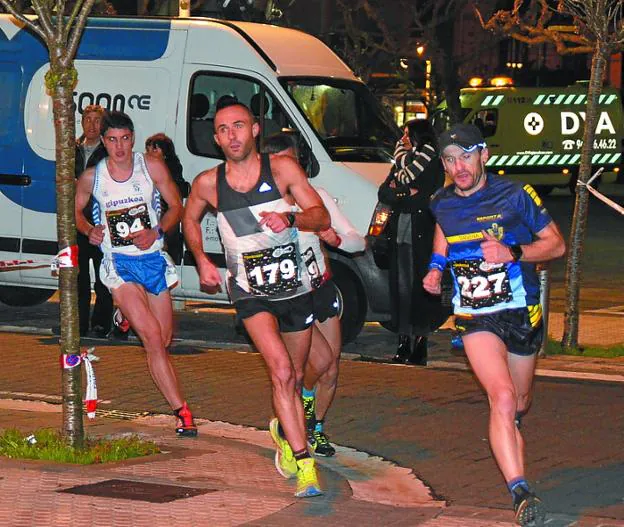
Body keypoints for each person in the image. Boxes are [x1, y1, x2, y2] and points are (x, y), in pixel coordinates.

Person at [183, 97, 330, 498]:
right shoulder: (208, 184)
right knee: (281, 371)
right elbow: (188, 218)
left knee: (297, 376)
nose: (232, 135)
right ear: (216, 138)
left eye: (239, 126)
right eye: (224, 129)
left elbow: (322, 217)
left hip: (294, 288)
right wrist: (201, 260)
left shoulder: (282, 169)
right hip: (251, 293)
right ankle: (305, 465)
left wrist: (292, 218)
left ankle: (284, 430)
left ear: (254, 130)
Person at [423, 123, 565, 527]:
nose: (459, 167)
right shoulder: (443, 202)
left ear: (484, 154)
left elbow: (556, 244)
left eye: (466, 156)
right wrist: (436, 269)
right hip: (475, 314)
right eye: (450, 159)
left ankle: (512, 427)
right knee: (500, 397)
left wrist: (512, 251)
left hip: (521, 312)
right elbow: (444, 231)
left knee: (519, 401)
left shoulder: (515, 194)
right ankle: (521, 493)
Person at [75, 111, 198, 437]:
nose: (119, 147)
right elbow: (76, 210)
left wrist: (156, 232)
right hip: (120, 264)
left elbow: (177, 206)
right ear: (103, 141)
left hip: (153, 260)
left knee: (166, 339)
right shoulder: (94, 177)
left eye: (125, 139)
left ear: (132, 138)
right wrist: (90, 230)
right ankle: (182, 411)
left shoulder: (151, 167)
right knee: (153, 340)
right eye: (112, 140)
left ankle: (120, 319)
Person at [262, 133, 366, 457]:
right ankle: (295, 411)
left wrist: (333, 238)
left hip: (320, 288)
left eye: (290, 162)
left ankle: (315, 426)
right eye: (276, 164)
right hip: (291, 297)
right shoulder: (261, 206)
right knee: (318, 361)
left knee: (331, 367)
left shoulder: (316, 197)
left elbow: (357, 242)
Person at [378, 118, 447, 365]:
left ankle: (420, 343)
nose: (403, 139)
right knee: (401, 289)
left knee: (420, 290)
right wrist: (407, 192)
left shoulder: (433, 164)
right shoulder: (400, 163)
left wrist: (402, 193)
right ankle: (403, 341)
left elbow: (426, 199)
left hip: (422, 235)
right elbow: (384, 193)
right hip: (399, 234)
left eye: (408, 134)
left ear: (420, 137)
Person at [75, 104, 113, 338]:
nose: (91, 124)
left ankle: (101, 323)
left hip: (101, 224)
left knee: (103, 278)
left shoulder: (108, 151)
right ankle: (77, 324)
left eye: (96, 120)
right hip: (77, 221)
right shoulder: (73, 149)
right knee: (77, 278)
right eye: (87, 119)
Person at [145, 133, 190, 264]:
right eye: (148, 150)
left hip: (166, 223)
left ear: (165, 152)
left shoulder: (172, 172)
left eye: (155, 149)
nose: (150, 153)